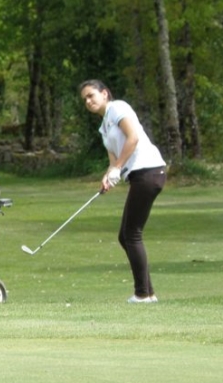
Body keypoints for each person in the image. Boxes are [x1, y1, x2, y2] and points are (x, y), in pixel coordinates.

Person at [79, 79, 167, 303]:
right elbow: (113, 160)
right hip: (140, 175)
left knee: (131, 234)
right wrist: (109, 175)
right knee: (125, 235)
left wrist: (118, 167)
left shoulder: (118, 108)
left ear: (105, 93)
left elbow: (133, 138)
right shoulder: (104, 126)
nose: (88, 101)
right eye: (85, 99)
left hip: (149, 171)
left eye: (91, 95)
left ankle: (142, 294)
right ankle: (148, 292)